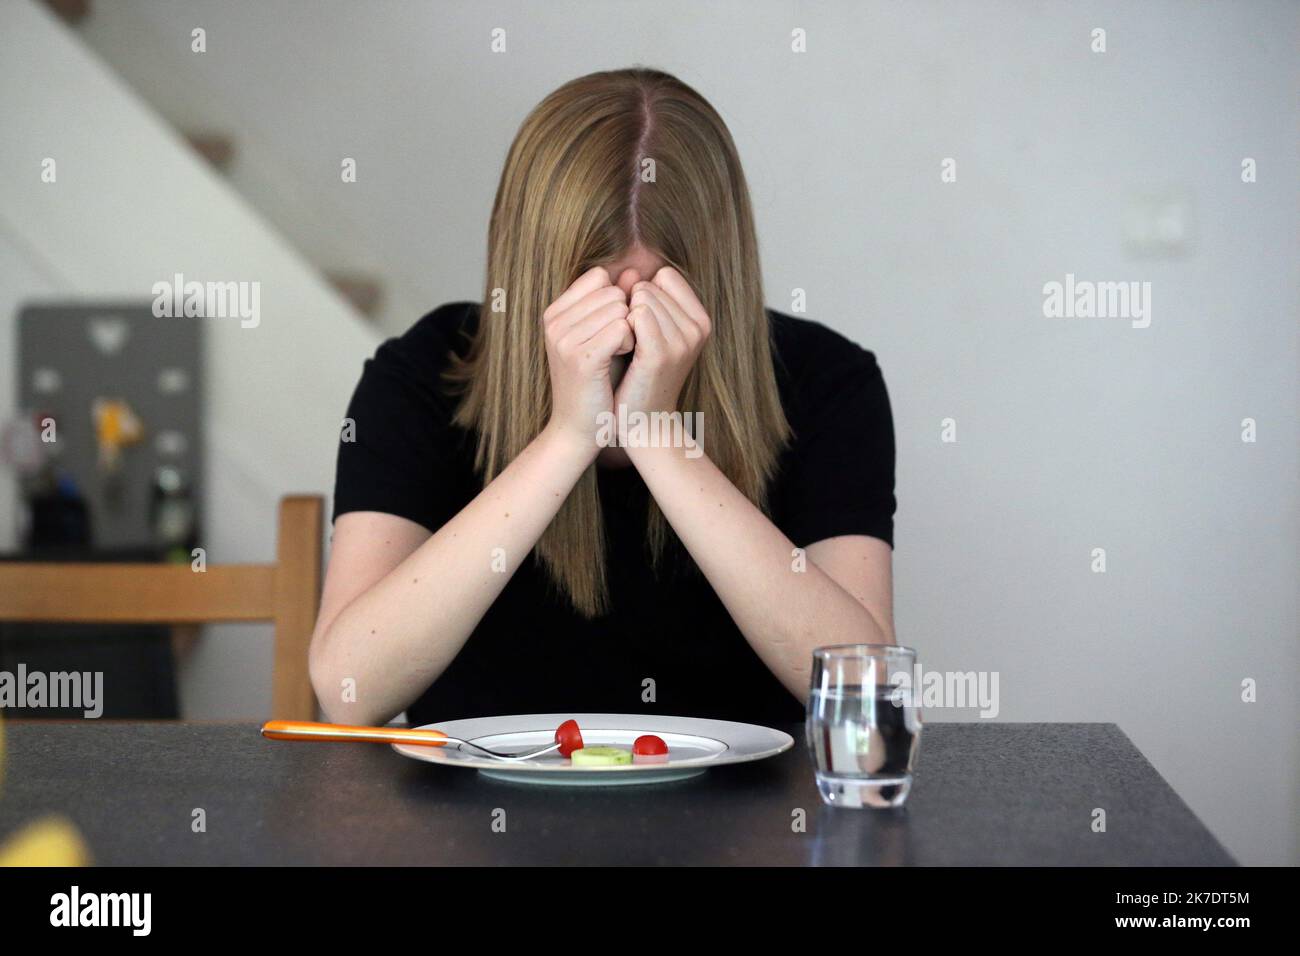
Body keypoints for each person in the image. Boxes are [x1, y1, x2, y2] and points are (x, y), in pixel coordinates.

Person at [308, 68, 896, 729]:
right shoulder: (425, 372)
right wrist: (564, 440)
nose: (620, 338)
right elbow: (348, 690)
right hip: (474, 818)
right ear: (530, 276)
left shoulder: (827, 380)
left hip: (749, 822)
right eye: (589, 302)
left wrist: (657, 437)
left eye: (656, 302)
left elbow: (866, 695)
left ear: (716, 282)